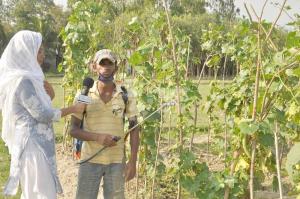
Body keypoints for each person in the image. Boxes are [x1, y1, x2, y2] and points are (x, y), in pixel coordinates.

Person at [0, 30, 85, 199]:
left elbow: (37, 107)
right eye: (39, 51)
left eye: (42, 51)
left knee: (36, 191)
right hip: (32, 146)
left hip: (38, 143)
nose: (42, 55)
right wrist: (73, 109)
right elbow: (43, 114)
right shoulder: (23, 82)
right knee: (41, 192)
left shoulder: (32, 78)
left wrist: (51, 95)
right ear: (25, 52)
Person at [70, 49, 140, 199]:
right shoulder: (86, 95)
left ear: (116, 68)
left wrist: (133, 162)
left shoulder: (125, 94)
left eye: (110, 63)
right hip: (89, 160)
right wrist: (98, 137)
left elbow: (134, 129)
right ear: (94, 67)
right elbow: (73, 130)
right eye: (102, 63)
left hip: (116, 162)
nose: (106, 67)